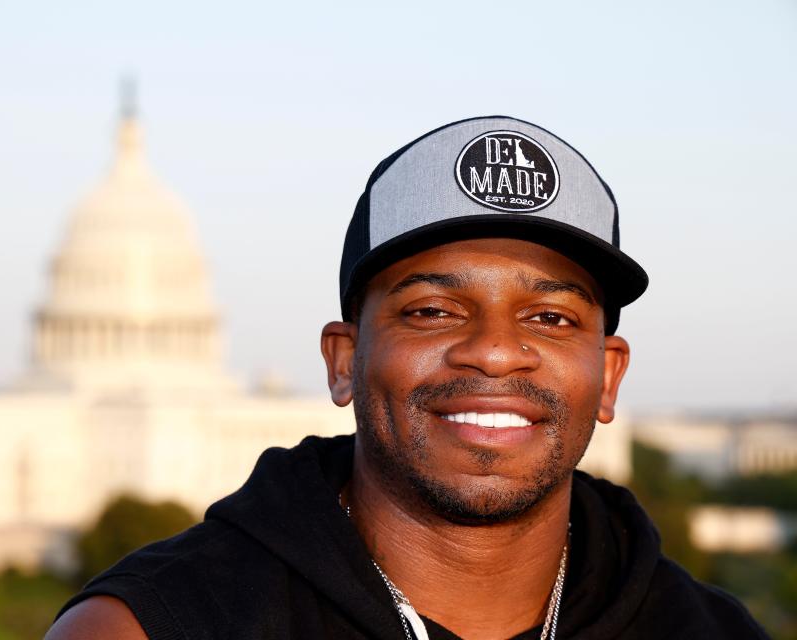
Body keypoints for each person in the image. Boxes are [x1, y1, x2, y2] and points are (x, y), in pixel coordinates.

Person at [46, 117, 768, 639]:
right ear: (342, 361)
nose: (494, 352)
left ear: (608, 376)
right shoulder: (145, 627)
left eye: (549, 318)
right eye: (432, 310)